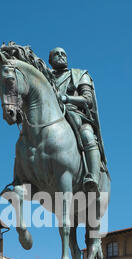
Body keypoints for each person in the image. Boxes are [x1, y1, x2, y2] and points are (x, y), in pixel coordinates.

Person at [49, 47, 107, 194]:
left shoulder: (80, 75)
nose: (61, 56)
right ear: (50, 61)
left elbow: (88, 100)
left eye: (63, 54)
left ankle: (92, 177)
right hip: (51, 115)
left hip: (76, 114)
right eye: (56, 54)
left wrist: (67, 98)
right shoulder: (45, 77)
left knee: (87, 135)